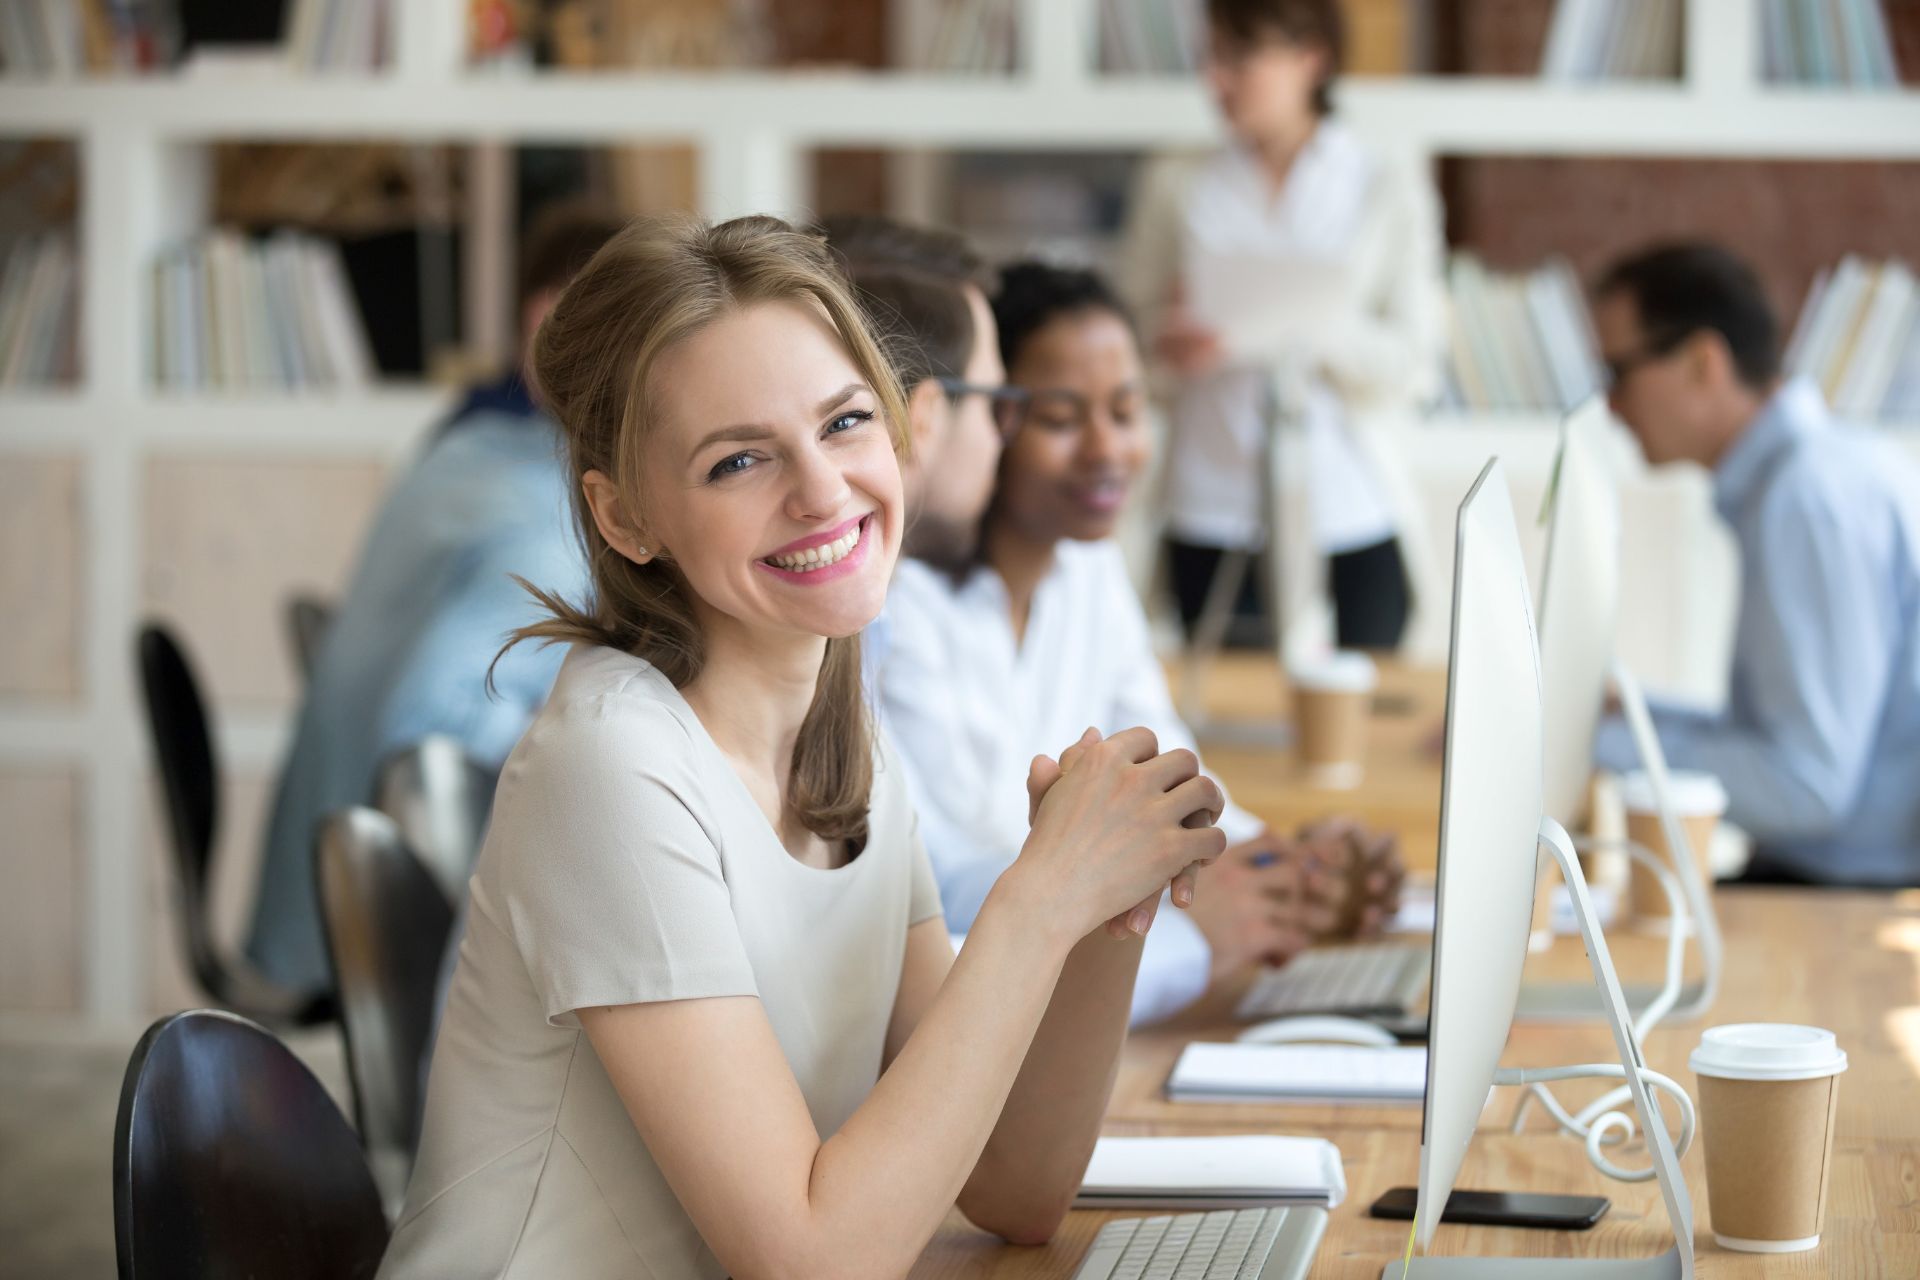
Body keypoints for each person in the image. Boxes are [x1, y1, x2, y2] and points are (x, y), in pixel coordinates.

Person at [379, 213, 1228, 1277]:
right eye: (738, 459)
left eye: (845, 422)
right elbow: (811, 1259)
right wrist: (1037, 898)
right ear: (626, 517)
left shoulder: (847, 739)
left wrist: (1105, 904)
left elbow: (1017, 1184)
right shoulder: (610, 766)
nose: (823, 489)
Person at [878, 259, 1399, 1027]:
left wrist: (1288, 867)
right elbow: (951, 878)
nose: (1106, 450)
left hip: (1099, 982)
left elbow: (1175, 773)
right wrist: (1189, 902)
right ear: (994, 421)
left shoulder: (1089, 570)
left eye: (1127, 411)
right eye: (1060, 419)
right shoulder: (899, 605)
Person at [248, 209, 623, 992]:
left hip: (334, 881)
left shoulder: (468, 436)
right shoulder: (538, 506)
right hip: (394, 923)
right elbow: (431, 729)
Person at [1117, 0, 1445, 652]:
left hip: (1349, 502)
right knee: (1229, 712)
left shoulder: (1383, 181)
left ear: (1311, 56)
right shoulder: (1178, 181)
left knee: (1361, 705)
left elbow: (1415, 362)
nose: (1216, 80)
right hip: (1209, 501)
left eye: (1239, 58)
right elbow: (1124, 345)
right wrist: (1168, 344)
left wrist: (1304, 331)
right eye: (1208, 59)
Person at [1590, 242, 1920, 887]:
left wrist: (1582, 747)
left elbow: (1806, 788)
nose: (1611, 406)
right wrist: (1625, 716)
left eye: (1618, 371)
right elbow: (1778, 741)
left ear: (1702, 363)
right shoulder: (1820, 470)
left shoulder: (1806, 501)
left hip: (1847, 893)